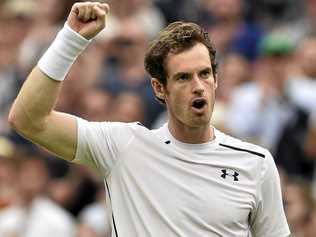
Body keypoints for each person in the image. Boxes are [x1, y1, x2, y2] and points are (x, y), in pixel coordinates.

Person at [8, 2, 290, 236]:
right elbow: (28, 119)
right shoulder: (121, 147)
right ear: (159, 88)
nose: (198, 85)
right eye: (183, 77)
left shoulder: (256, 164)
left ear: (216, 80)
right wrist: (70, 39)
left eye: (205, 74)